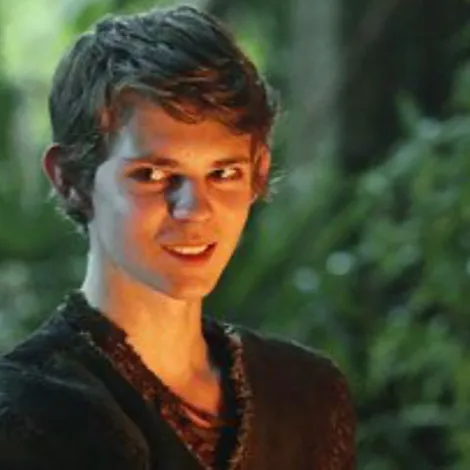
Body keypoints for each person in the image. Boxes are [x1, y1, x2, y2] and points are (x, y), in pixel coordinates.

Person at [0, 5, 356, 470]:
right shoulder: (25, 410)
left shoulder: (305, 395)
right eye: (152, 174)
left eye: (223, 173)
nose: (194, 209)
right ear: (70, 178)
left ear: (258, 171)